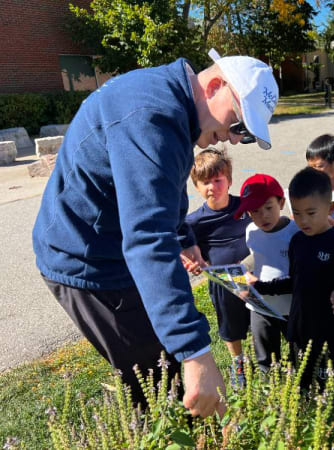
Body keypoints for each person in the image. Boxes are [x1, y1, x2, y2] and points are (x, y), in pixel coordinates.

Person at [32, 49, 279, 416]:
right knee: (159, 385)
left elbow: (160, 188)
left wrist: (183, 236)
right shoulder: (152, 115)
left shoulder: (172, 104)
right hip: (88, 262)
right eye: (239, 124)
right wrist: (196, 353)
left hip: (112, 246)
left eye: (243, 134)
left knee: (168, 371)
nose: (230, 138)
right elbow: (147, 238)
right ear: (214, 85)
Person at [250, 168, 334, 388]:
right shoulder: (297, 241)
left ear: (330, 208)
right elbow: (295, 281)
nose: (303, 220)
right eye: (297, 213)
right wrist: (261, 287)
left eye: (311, 213)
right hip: (300, 329)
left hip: (328, 332)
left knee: (328, 388)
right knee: (302, 385)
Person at [184, 149, 251, 389]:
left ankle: (266, 358)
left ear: (230, 180)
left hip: (253, 276)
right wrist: (193, 262)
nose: (212, 186)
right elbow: (190, 254)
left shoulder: (247, 207)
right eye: (205, 182)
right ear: (197, 187)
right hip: (224, 283)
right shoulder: (193, 223)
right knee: (231, 325)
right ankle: (238, 362)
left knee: (262, 319)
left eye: (218, 179)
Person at [233, 173, 299, 373]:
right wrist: (240, 271)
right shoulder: (251, 231)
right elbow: (258, 255)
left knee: (300, 356)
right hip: (260, 307)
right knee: (265, 361)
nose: (263, 216)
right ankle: (269, 393)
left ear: (281, 202)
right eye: (255, 211)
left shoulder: (295, 232)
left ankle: (302, 393)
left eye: (269, 208)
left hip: (291, 308)